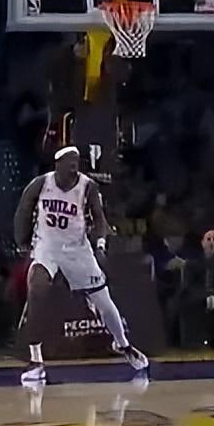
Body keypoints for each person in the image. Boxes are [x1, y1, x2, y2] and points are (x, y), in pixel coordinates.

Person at [14, 146, 148, 385]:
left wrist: (101, 245)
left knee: (104, 302)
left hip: (78, 250)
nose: (74, 167)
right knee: (37, 287)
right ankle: (36, 361)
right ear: (57, 164)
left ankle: (123, 344)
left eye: (76, 163)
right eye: (69, 162)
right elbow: (23, 210)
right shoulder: (40, 184)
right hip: (47, 247)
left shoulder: (88, 187)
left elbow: (99, 219)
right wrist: (22, 241)